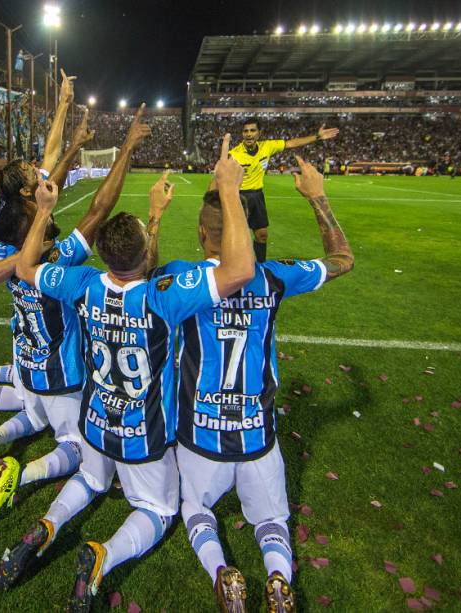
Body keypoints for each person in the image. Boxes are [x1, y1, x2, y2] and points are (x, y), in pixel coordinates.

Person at [2, 135, 255, 612]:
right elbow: (240, 269)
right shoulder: (163, 296)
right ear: (144, 256)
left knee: (92, 481)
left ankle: (48, 526)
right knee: (158, 510)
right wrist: (226, 188)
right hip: (141, 434)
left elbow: (27, 264)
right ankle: (104, 556)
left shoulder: (82, 283)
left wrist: (41, 210)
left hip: (95, 421)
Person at [0, 75, 125, 531]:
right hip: (60, 370)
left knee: (27, 412)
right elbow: (95, 213)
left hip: (27, 360)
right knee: (76, 446)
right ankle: (25, 474)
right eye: (35, 175)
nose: (42, 172)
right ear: (25, 196)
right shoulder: (55, 257)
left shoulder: (6, 244)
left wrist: (67, 120)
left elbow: (51, 159)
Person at [158, 154, 353, 613]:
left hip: (199, 441)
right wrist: (318, 197)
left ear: (202, 235)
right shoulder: (272, 278)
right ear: (248, 231)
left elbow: (134, 267)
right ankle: (279, 578)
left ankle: (222, 572)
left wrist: (155, 217)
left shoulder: (176, 278)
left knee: (196, 511)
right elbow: (342, 259)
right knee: (272, 520)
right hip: (257, 440)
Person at [229, 118, 339, 262]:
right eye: (245, 131)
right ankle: (233, 269)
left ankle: (261, 268)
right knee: (236, 237)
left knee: (262, 235)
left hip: (257, 196)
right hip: (239, 197)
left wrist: (317, 136)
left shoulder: (267, 146)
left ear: (259, 133)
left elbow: (291, 143)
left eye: (252, 130)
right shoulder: (234, 154)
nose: (249, 134)